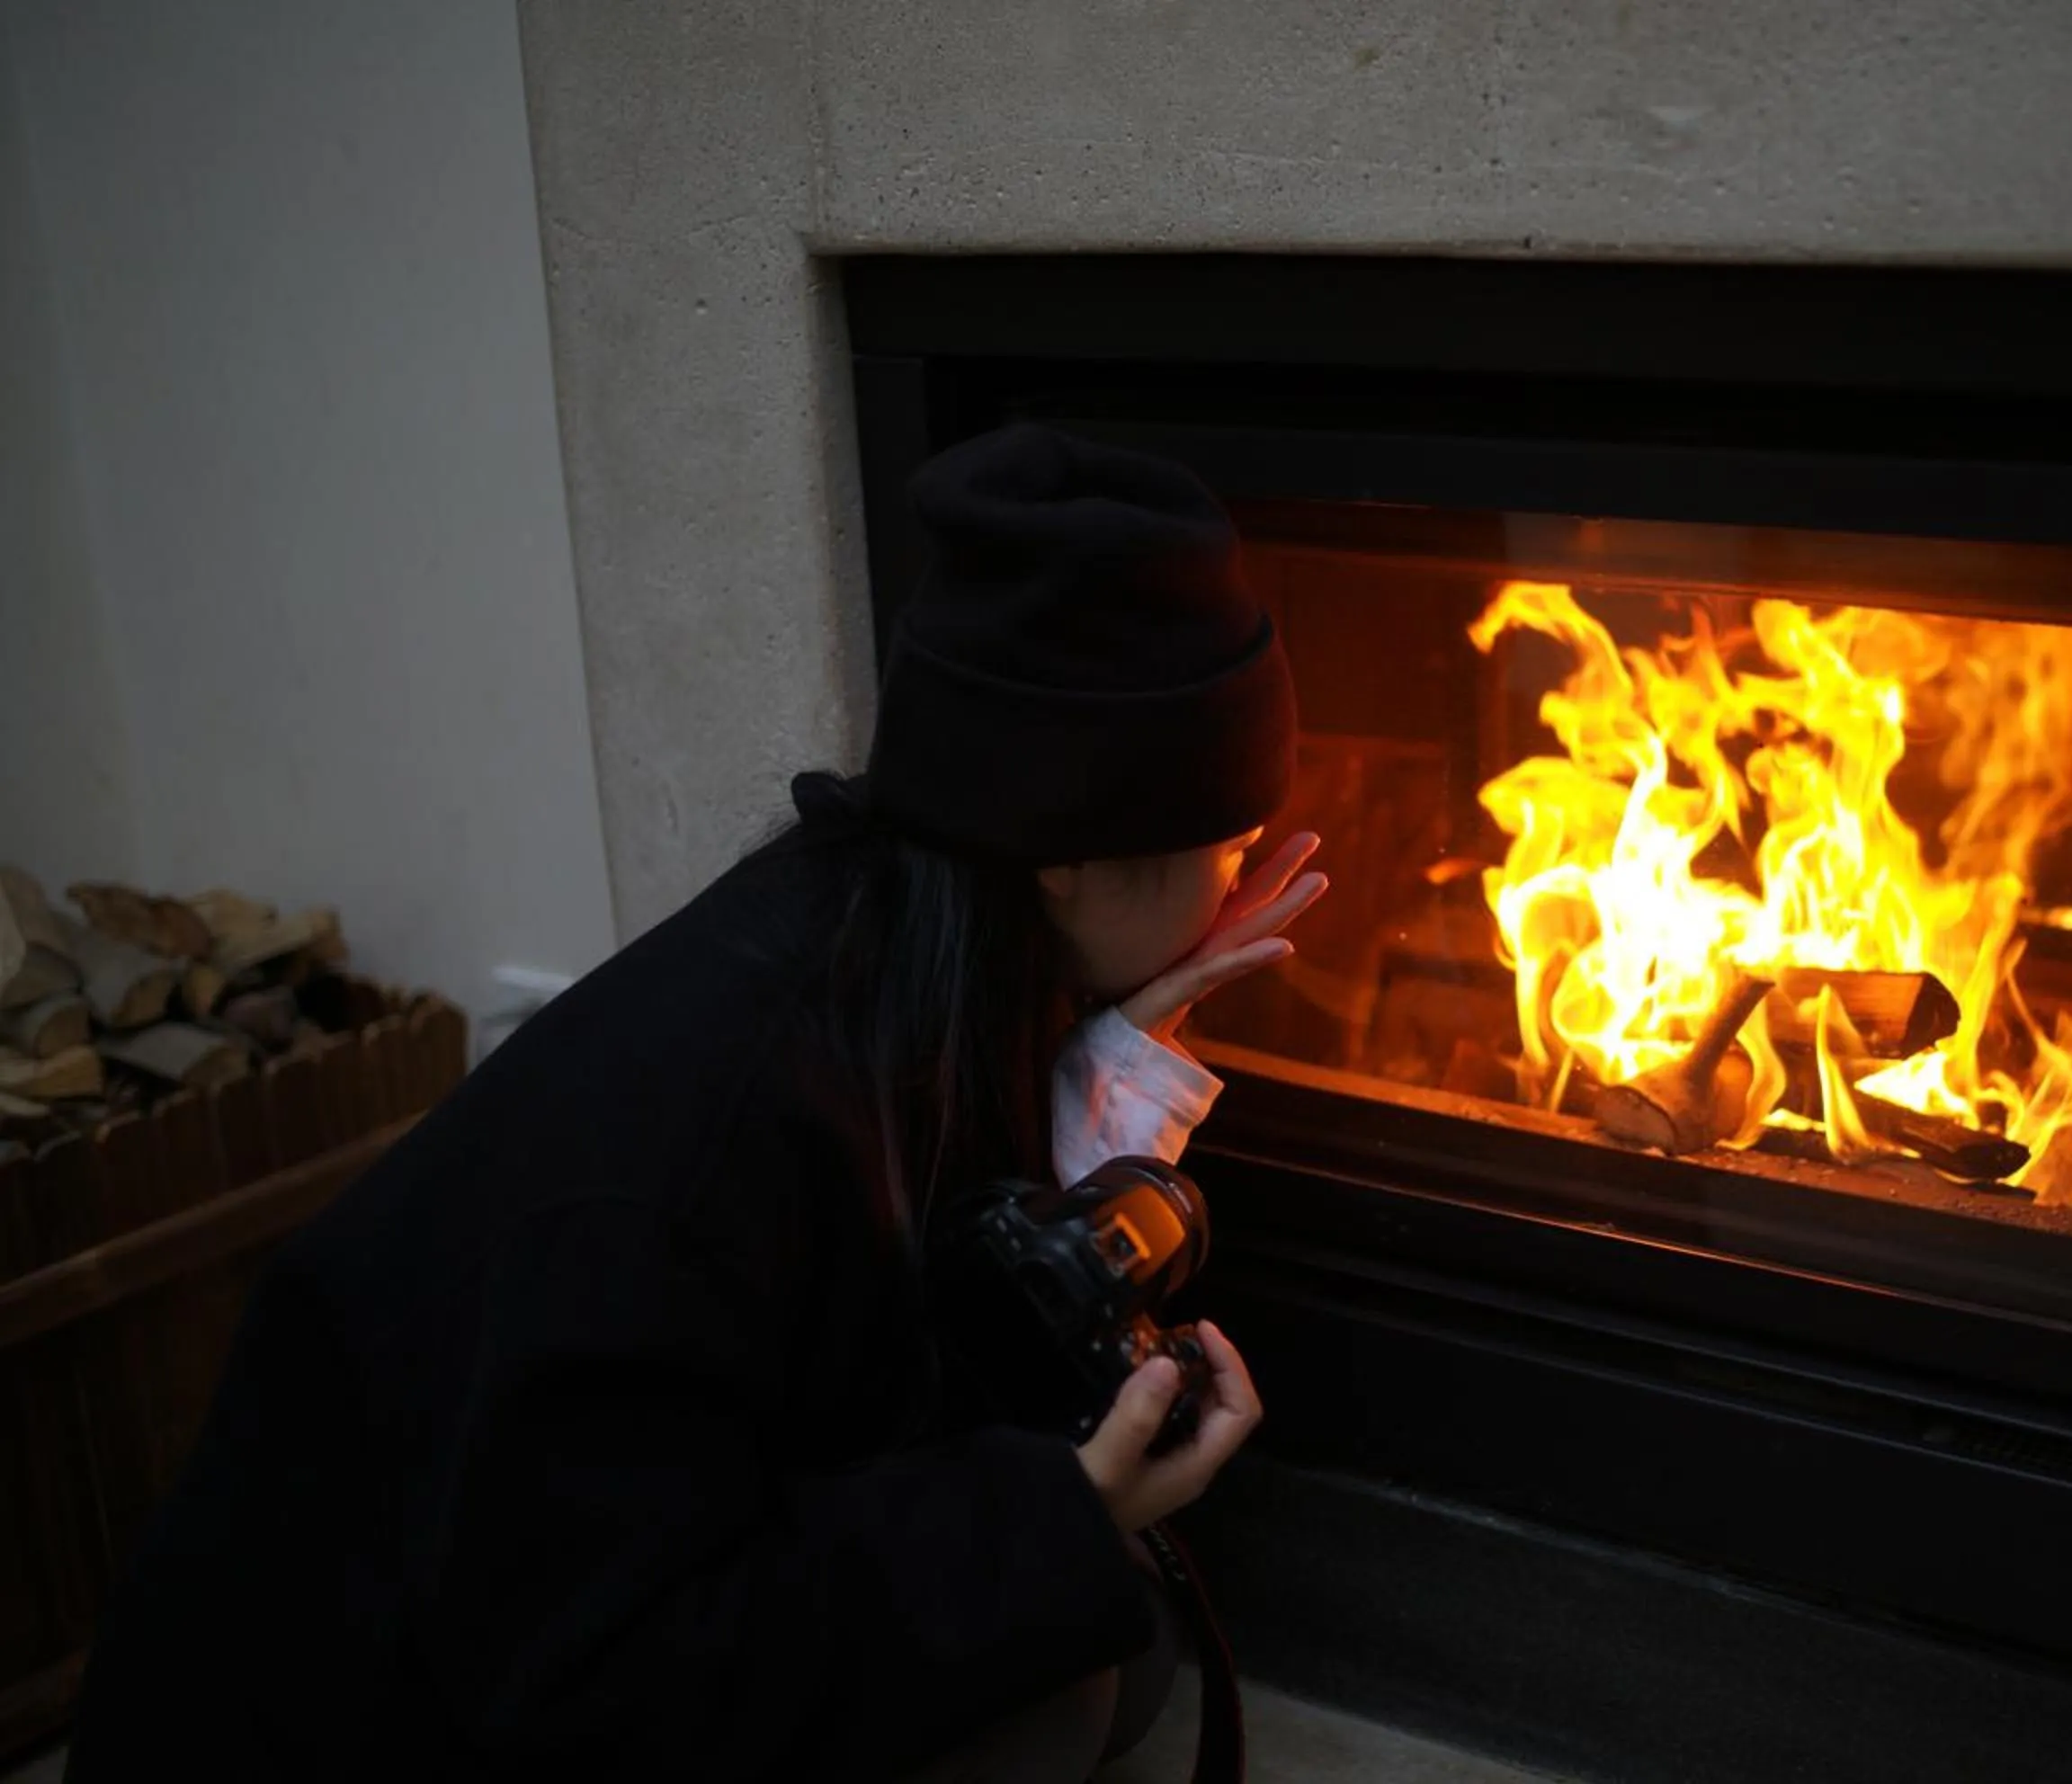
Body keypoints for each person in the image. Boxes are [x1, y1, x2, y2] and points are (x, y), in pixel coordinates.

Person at [67, 425, 1326, 1781]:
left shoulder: (885, 948)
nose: (1242, 885)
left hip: (533, 1638)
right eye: (1232, 848)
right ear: (1070, 858)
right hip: (362, 1727)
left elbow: (870, 1368)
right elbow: (612, 1669)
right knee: (1051, 1684)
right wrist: (1052, 1514)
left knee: (1106, 1651)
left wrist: (1113, 1063)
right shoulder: (704, 1136)